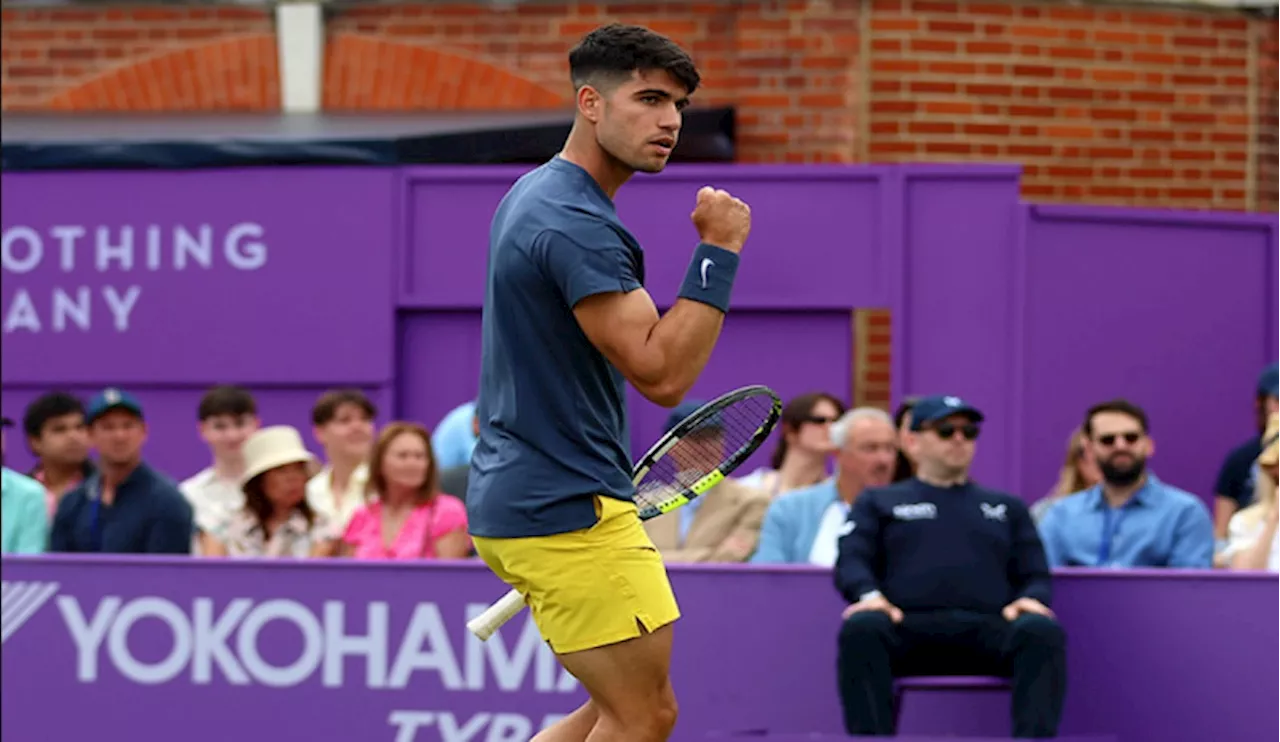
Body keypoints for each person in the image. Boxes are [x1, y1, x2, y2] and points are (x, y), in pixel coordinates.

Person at [465, 23, 752, 742]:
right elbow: (662, 372)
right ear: (590, 103)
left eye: (679, 105)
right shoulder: (572, 220)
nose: (669, 121)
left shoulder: (541, 195)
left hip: (535, 497)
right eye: (649, 98)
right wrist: (718, 251)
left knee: (614, 709)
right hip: (564, 507)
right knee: (643, 715)